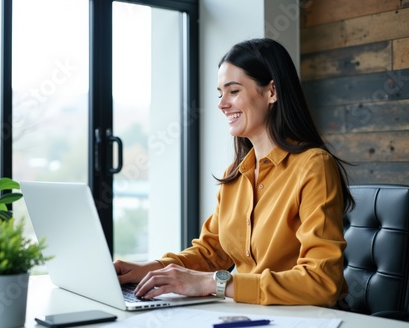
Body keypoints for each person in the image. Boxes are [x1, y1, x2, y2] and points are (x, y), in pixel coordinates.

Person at [114, 38, 354, 307]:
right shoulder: (236, 174)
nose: (222, 104)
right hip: (251, 314)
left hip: (308, 318)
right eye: (220, 93)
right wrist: (148, 269)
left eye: (233, 91)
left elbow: (321, 281)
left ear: (271, 92)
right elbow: (210, 253)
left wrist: (212, 283)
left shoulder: (313, 166)